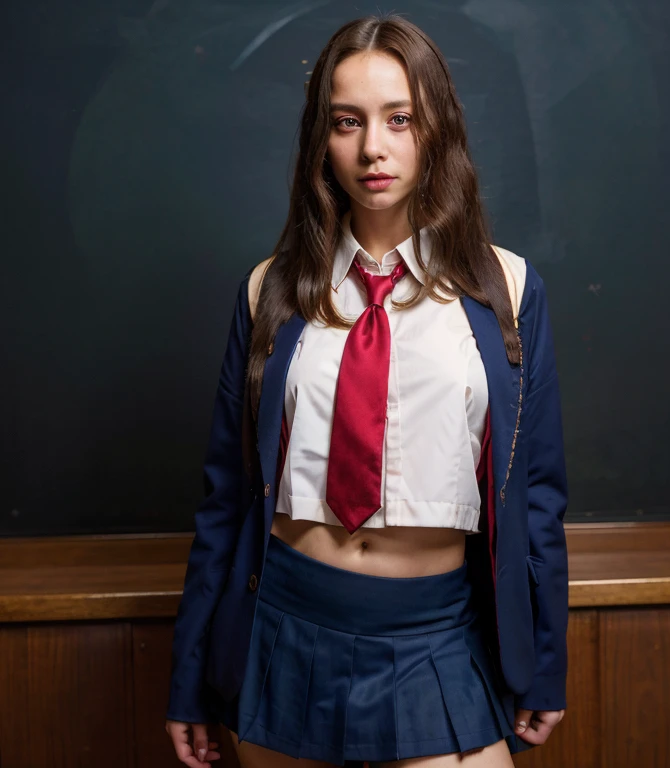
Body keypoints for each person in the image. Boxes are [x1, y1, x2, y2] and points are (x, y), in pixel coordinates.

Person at [165, 13, 568, 768]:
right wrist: (190, 679)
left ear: (435, 128)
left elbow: (538, 494)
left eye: (399, 118)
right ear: (323, 137)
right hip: (286, 626)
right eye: (347, 122)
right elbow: (223, 501)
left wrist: (544, 660)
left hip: (436, 635)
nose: (372, 148)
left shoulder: (508, 290)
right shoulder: (267, 291)